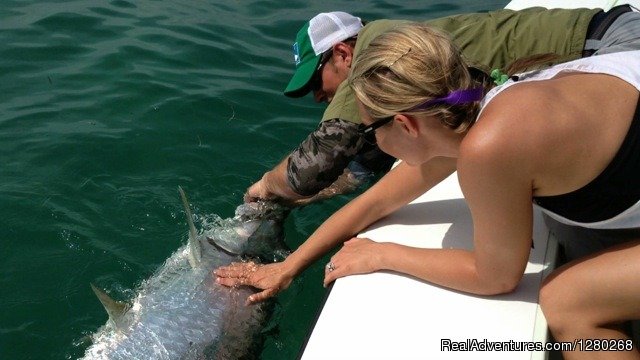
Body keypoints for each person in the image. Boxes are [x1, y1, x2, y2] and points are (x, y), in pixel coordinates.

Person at [218, 20, 640, 358]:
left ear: (404, 124)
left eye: (371, 131)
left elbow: (495, 277)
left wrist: (383, 254)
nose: (372, 144)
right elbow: (377, 201)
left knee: (568, 303)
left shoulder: (488, 149)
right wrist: (290, 265)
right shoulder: (488, 102)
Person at [245, 6, 636, 206]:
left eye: (317, 80)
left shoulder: (375, 54)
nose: (317, 95)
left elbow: (311, 168)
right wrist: (311, 199)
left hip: (608, 46)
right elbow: (366, 162)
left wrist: (264, 187)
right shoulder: (401, 84)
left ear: (344, 53)